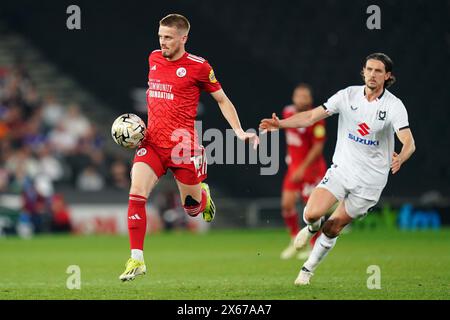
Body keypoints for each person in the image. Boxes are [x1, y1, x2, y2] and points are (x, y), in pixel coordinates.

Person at [119, 14, 259, 281]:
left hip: (184, 147)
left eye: (169, 37)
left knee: (192, 209)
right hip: (152, 143)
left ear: (183, 38)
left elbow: (222, 99)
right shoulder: (153, 58)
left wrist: (239, 131)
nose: (163, 42)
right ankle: (136, 259)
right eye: (160, 36)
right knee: (137, 192)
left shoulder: (199, 66)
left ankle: (203, 198)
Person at [260, 53, 415, 285]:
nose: (372, 75)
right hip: (342, 169)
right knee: (312, 213)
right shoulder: (347, 95)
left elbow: (409, 141)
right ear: (363, 71)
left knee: (333, 228)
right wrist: (281, 124)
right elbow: (311, 116)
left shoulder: (394, 106)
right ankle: (312, 227)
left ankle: (307, 270)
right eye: (369, 69)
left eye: (378, 71)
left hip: (371, 181)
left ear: (388, 76)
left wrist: (401, 157)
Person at [279, 83, 327, 260]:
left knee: (312, 211)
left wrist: (302, 167)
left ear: (310, 99)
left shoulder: (317, 118)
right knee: (286, 204)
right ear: (293, 98)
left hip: (311, 170)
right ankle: (295, 241)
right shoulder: (287, 112)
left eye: (305, 96)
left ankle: (315, 247)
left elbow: (318, 147)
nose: (301, 99)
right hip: (294, 169)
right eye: (298, 96)